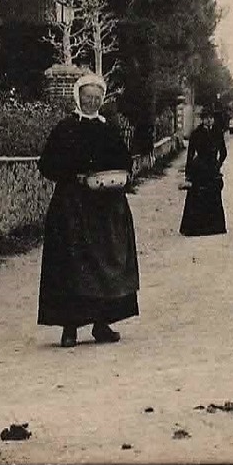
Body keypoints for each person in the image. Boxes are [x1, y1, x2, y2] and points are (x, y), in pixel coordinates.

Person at [36, 73, 139, 347]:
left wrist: (123, 174)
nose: (92, 103)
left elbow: (125, 161)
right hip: (73, 207)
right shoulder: (65, 128)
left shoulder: (108, 129)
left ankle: (101, 324)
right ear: (78, 97)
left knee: (107, 265)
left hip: (106, 206)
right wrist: (74, 177)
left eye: (96, 99)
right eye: (87, 98)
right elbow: (46, 165)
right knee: (72, 266)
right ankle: (69, 328)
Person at [179, 106, 228, 236]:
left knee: (213, 196)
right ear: (202, 120)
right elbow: (190, 155)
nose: (209, 121)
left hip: (212, 168)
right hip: (199, 169)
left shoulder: (218, 132)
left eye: (211, 118)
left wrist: (218, 164)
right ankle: (194, 228)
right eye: (206, 118)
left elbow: (223, 152)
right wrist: (188, 176)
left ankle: (214, 227)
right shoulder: (196, 134)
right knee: (196, 196)